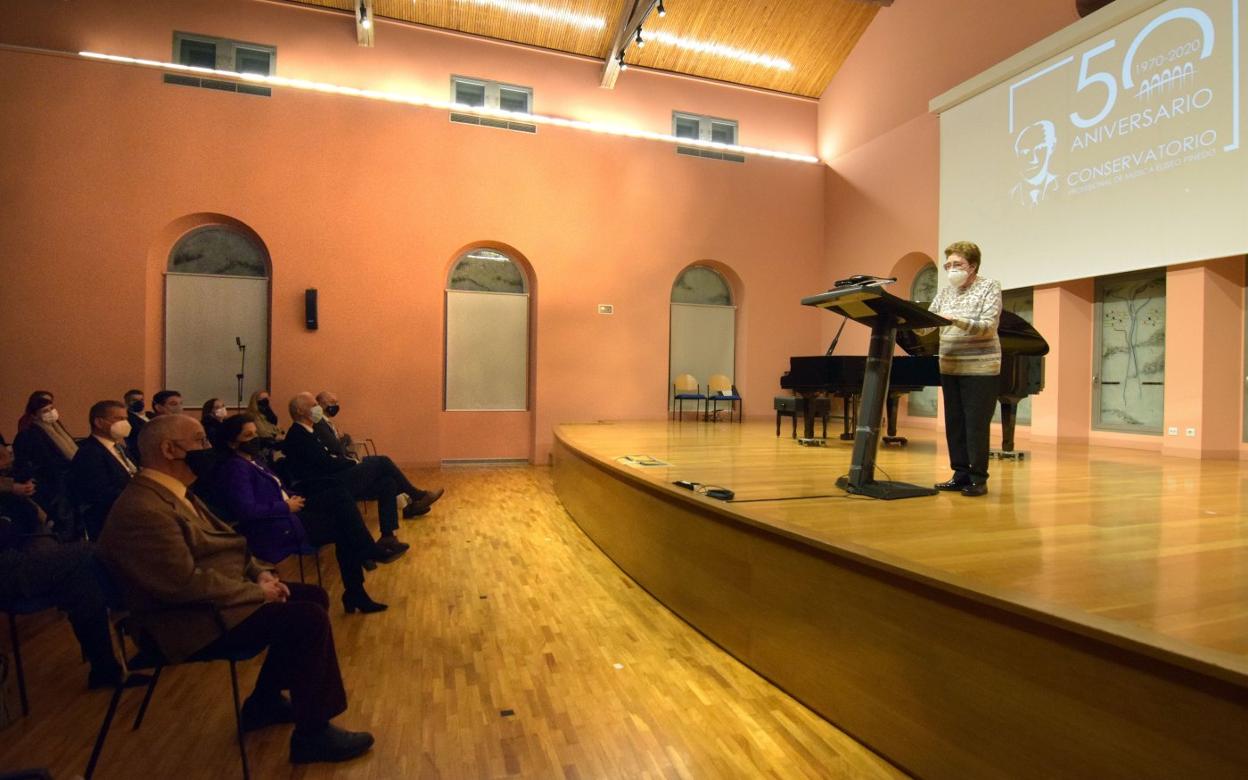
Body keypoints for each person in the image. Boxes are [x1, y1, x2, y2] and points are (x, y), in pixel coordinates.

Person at [97, 415, 374, 764]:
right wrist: (257, 593)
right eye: (200, 441)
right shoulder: (143, 508)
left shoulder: (174, 493)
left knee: (312, 597)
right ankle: (313, 734)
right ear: (170, 449)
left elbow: (230, 543)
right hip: (181, 623)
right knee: (305, 619)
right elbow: (181, 583)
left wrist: (260, 574)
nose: (208, 448)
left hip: (212, 600)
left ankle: (264, 702)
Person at [198, 413, 397, 614]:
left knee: (340, 499)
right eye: (248, 436)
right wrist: (286, 506)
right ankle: (361, 576)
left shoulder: (254, 461)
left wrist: (292, 500)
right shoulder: (235, 468)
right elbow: (245, 510)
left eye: (255, 434)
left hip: (289, 509)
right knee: (343, 523)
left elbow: (279, 488)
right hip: (276, 524)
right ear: (233, 443)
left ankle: (360, 575)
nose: (255, 439)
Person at [2, 425, 129, 690]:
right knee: (89, 551)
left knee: (82, 583)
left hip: (25, 556)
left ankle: (106, 671)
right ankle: (140, 615)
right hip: (8, 569)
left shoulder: (14, 491)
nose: (6, 452)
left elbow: (37, 525)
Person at [282, 393, 434, 551]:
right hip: (327, 485)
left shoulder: (309, 431)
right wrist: (351, 462)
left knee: (387, 483)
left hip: (333, 477)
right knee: (381, 461)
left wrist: (347, 460)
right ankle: (417, 496)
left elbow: (329, 456)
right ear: (300, 410)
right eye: (313, 405)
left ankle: (388, 536)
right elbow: (325, 462)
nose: (318, 409)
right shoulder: (298, 434)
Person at [927, 241, 1002, 497]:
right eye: (948, 265)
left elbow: (988, 326)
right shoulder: (945, 292)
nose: (951, 269)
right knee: (955, 423)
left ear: (972, 266)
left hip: (981, 368)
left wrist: (954, 319)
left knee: (975, 425)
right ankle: (960, 475)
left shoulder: (989, 287)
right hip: (950, 365)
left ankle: (978, 479)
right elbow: (928, 321)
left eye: (956, 264)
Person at [314, 389, 443, 516]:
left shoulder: (327, 423)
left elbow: (345, 439)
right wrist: (342, 439)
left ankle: (409, 507)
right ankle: (417, 496)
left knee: (388, 479)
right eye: (332, 402)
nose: (336, 406)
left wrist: (343, 438)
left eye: (336, 402)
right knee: (383, 462)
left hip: (346, 464)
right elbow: (337, 447)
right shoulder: (319, 424)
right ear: (320, 404)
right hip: (342, 470)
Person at [69, 400, 137, 540]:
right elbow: (99, 492)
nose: (124, 423)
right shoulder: (89, 452)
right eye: (118, 419)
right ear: (99, 422)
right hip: (109, 521)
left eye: (125, 419)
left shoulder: (119, 448)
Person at [13, 392, 78, 535]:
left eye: (51, 408)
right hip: (52, 483)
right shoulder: (29, 434)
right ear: (35, 415)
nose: (51, 413)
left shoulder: (57, 427)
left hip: (66, 477)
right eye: (45, 411)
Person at [1009, 120, 1058, 206]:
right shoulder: (1011, 195)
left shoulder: (1061, 183)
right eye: (1025, 152)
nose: (1032, 158)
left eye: (1039, 149)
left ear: (1052, 147)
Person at [123, 389, 147, 461]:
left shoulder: (151, 415)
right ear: (127, 403)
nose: (139, 402)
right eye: (134, 400)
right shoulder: (127, 418)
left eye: (141, 400)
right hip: (140, 452)